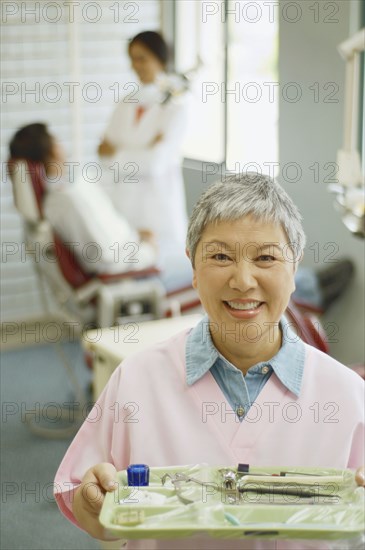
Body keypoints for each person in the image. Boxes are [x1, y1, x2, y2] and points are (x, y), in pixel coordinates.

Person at [54, 173, 364, 549]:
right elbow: (93, 506)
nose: (243, 280)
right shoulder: (137, 380)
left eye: (265, 257)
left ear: (294, 267)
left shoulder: (348, 395)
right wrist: (95, 505)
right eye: (220, 256)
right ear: (194, 269)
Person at [98, 31, 192, 287]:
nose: (135, 66)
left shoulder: (175, 107)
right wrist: (144, 151)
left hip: (159, 209)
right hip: (124, 204)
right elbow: (101, 154)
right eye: (132, 59)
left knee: (164, 281)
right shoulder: (124, 104)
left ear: (160, 59)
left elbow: (155, 164)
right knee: (131, 285)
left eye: (142, 58)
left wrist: (118, 153)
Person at [9, 123, 157, 275]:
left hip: (130, 248)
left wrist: (138, 238)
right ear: (53, 151)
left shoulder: (64, 193)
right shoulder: (64, 200)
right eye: (56, 141)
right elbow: (106, 260)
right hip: (131, 270)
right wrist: (148, 251)